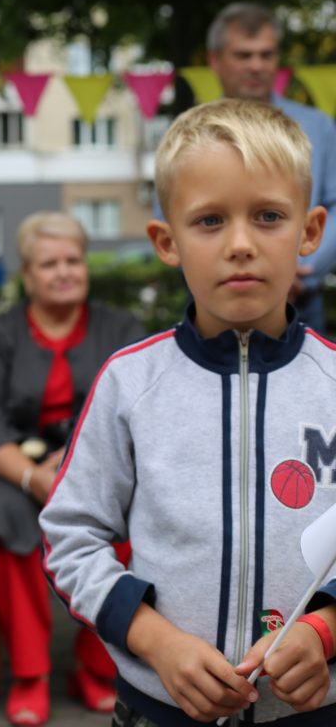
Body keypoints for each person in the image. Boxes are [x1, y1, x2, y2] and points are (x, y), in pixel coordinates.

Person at [42, 98, 336, 725]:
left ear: (310, 231)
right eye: (209, 221)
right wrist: (156, 640)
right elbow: (70, 538)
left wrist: (326, 631)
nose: (239, 244)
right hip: (160, 709)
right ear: (165, 241)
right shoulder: (130, 384)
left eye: (267, 216)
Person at [0, 211, 144, 725]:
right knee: (2, 515)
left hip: (99, 465)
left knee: (131, 515)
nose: (63, 271)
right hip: (8, 472)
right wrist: (33, 477)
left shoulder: (123, 329)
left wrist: (81, 465)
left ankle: (97, 666)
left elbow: (142, 412)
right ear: (28, 275)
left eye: (73, 260)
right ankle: (30, 673)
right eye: (49, 263)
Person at [207, 2, 336, 332]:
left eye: (266, 55)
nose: (256, 66)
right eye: (244, 55)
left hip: (303, 301)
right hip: (214, 305)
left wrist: (301, 271)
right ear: (215, 60)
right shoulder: (192, 133)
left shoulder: (317, 127)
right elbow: (171, 218)